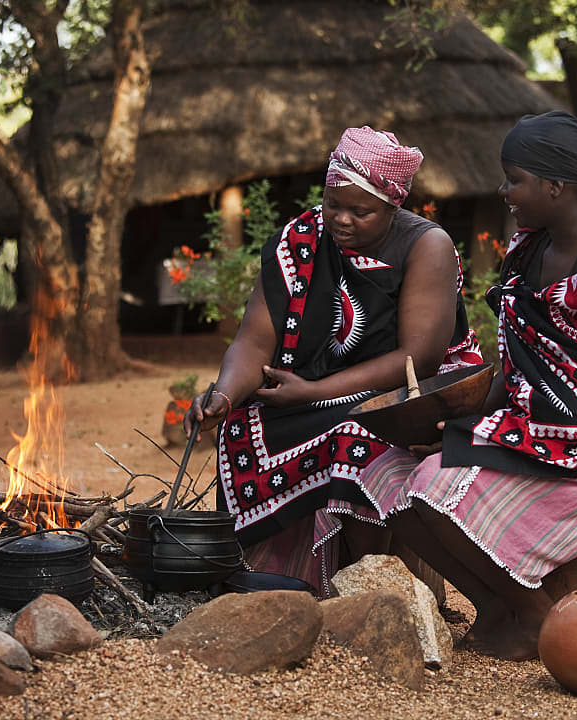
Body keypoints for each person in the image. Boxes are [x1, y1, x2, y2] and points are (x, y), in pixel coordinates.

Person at [358, 111, 577, 661]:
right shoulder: (532, 248)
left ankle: (533, 617)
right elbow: (521, 368)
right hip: (538, 429)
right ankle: (498, 606)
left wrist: (472, 430)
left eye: (514, 178)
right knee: (384, 469)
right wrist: (454, 422)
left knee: (435, 484)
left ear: (555, 186)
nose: (504, 190)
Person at [183, 126, 482, 595]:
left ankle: (365, 587)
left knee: (354, 436)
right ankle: (265, 574)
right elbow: (254, 342)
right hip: (318, 387)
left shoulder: (426, 246)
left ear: (392, 205)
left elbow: (418, 357)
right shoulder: (301, 239)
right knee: (243, 425)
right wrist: (222, 394)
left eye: (360, 211)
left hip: (406, 391)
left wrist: (314, 391)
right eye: (333, 204)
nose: (341, 219)